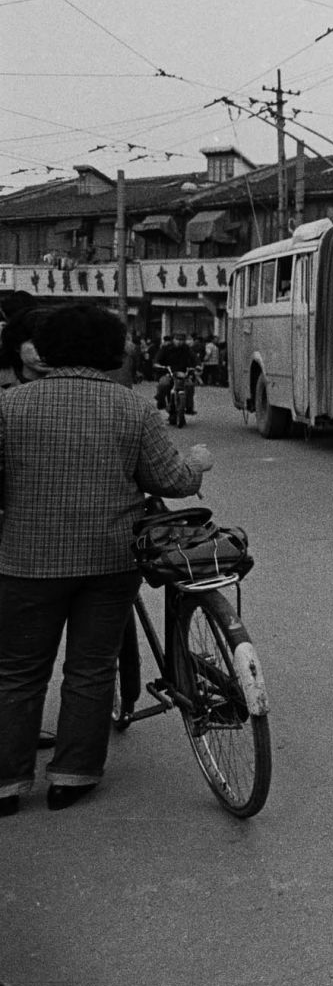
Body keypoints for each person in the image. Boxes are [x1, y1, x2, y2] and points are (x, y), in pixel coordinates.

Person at [0, 305, 213, 817]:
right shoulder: (131, 407)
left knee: (17, 672)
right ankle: (73, 775)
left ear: (46, 350)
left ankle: (6, 782)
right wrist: (198, 462)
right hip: (109, 560)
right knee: (91, 669)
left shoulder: (10, 406)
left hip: (25, 561)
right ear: (111, 350)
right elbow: (172, 482)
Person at [153, 331, 198, 413]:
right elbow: (157, 359)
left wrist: (197, 365)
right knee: (163, 384)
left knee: (190, 385)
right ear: (173, 339)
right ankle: (161, 401)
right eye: (177, 339)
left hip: (183, 374)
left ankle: (189, 407)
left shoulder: (187, 349)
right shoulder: (165, 348)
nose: (179, 341)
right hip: (168, 373)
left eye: (181, 340)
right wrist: (158, 365)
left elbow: (194, 358)